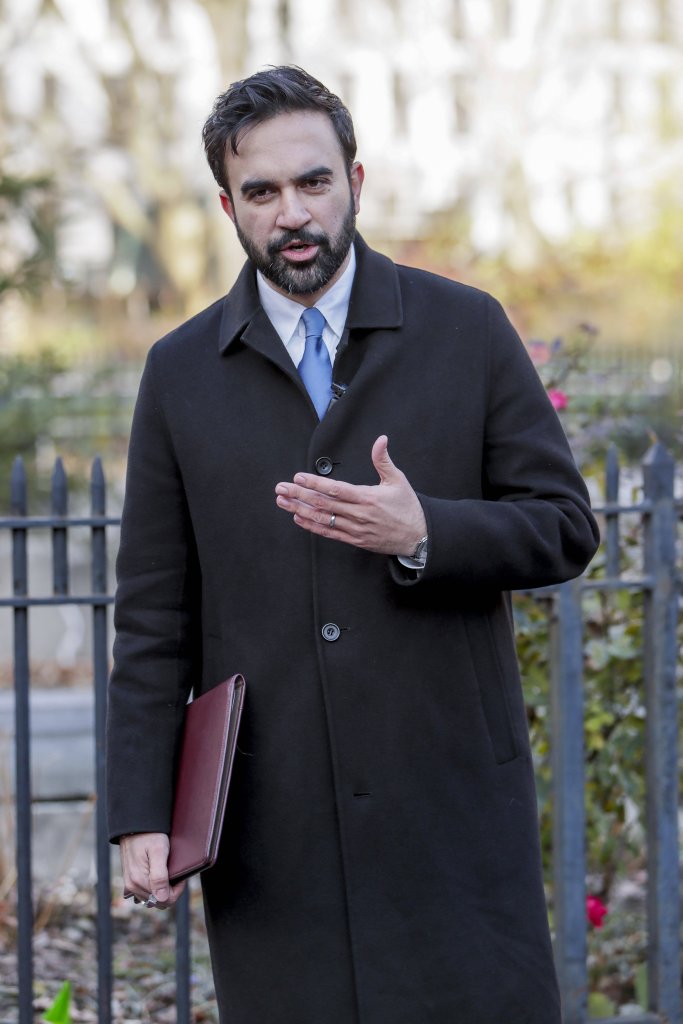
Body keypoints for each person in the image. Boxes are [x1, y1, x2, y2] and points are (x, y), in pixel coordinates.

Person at [106, 66, 599, 1024]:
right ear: (228, 207)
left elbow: (564, 526)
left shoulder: (466, 327)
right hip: (272, 824)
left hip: (448, 804)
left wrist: (427, 533)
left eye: (313, 182)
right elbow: (152, 615)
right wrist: (139, 811)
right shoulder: (177, 373)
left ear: (356, 182)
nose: (292, 213)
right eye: (261, 192)